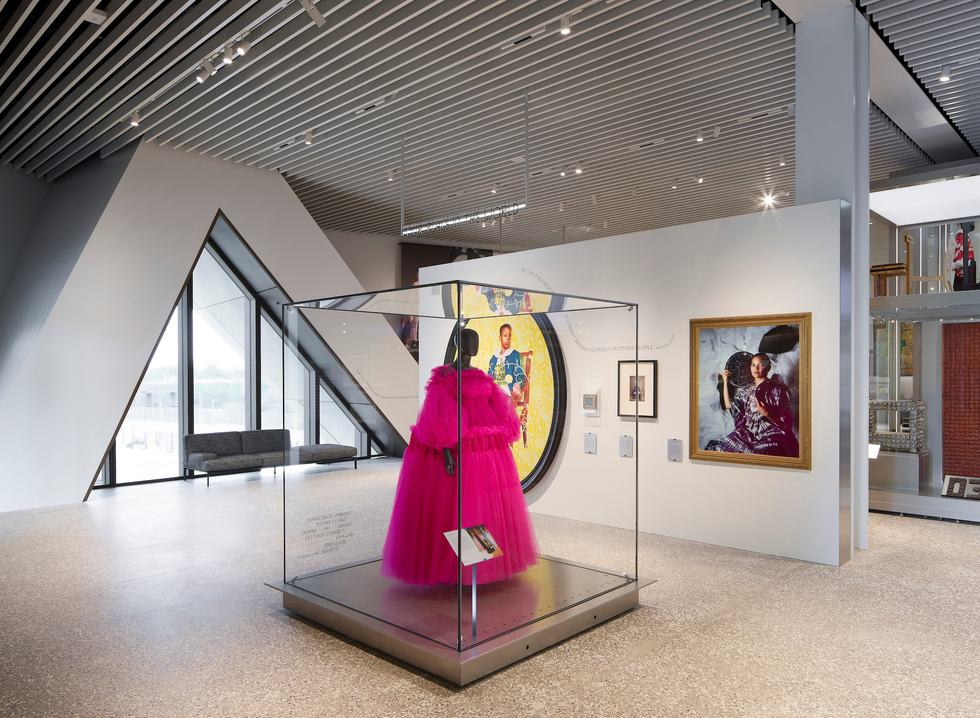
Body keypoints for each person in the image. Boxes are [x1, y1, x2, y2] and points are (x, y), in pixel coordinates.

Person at [380, 328, 538, 586]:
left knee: (477, 504)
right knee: (457, 506)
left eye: (474, 341)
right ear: (457, 342)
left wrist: (497, 441)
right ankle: (454, 565)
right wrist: (444, 448)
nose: (472, 346)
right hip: (457, 446)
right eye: (466, 340)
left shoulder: (480, 378)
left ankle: (480, 561)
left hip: (481, 447)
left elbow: (495, 409)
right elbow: (439, 413)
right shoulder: (445, 378)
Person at [718, 353, 798, 457]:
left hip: (771, 432)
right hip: (749, 432)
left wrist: (767, 414)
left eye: (760, 365)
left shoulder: (776, 389)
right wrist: (725, 382)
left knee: (764, 452)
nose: (756, 368)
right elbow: (729, 405)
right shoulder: (747, 391)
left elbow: (785, 422)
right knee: (727, 445)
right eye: (753, 365)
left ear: (768, 368)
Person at [487, 324, 525, 405]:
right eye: (505, 335)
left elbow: (520, 375)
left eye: (509, 335)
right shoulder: (494, 358)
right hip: (494, 393)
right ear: (500, 338)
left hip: (507, 393)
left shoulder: (515, 355)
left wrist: (516, 387)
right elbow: (489, 377)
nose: (508, 338)